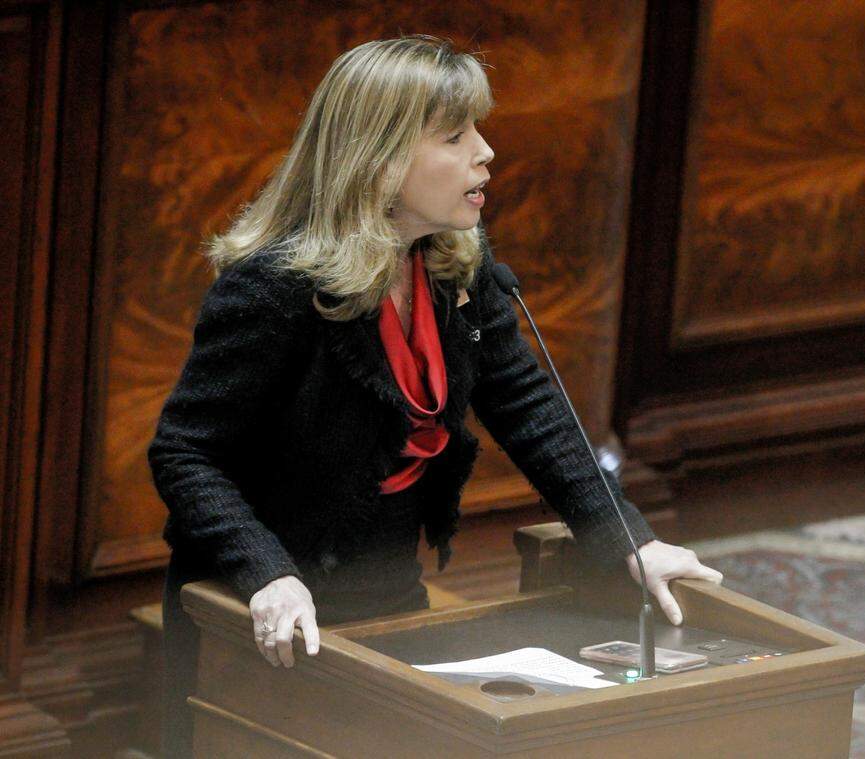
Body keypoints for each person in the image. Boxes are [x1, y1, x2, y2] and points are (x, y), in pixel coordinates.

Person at [147, 34, 722, 757]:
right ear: (377, 157)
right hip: (260, 606)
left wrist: (629, 539)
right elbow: (185, 452)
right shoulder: (273, 291)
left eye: (478, 130)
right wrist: (267, 573)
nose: (485, 152)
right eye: (455, 136)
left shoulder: (457, 266)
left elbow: (529, 408)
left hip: (387, 593)